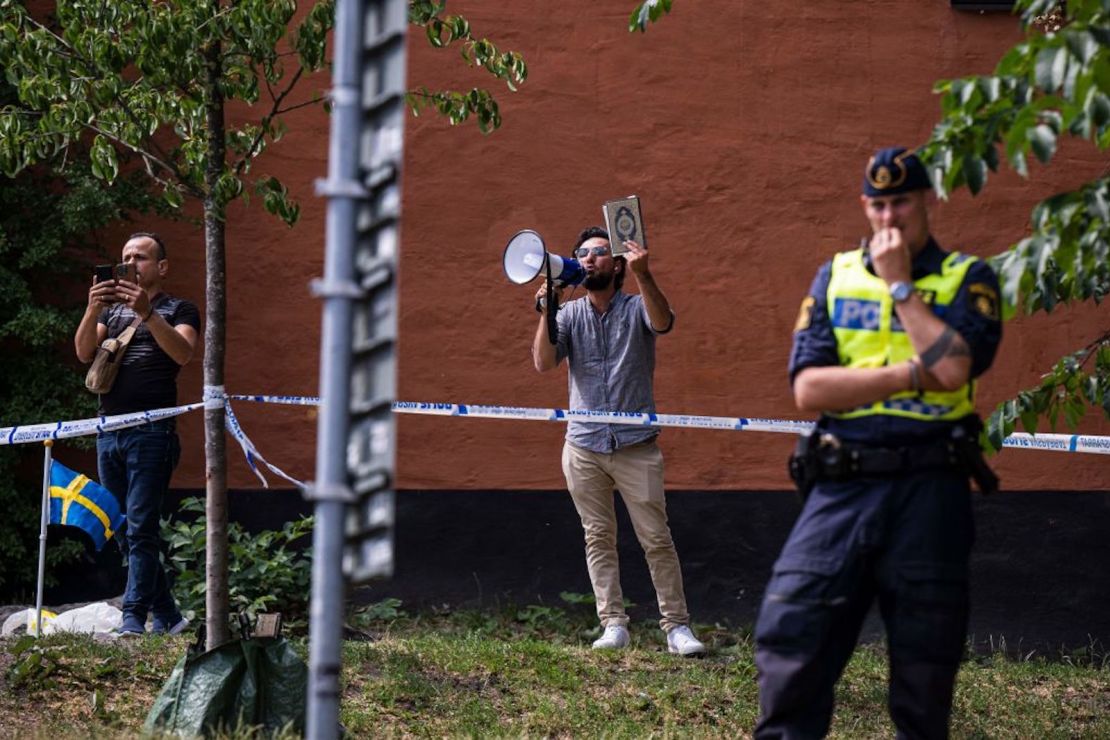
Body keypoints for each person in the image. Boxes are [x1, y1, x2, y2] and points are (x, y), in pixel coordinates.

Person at [753, 147, 1003, 738]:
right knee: (790, 634)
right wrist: (911, 373)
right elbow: (810, 388)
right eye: (879, 205)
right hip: (844, 483)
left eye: (902, 203)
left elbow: (957, 371)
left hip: (930, 487)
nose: (890, 218)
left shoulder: (969, 277)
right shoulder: (834, 275)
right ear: (866, 207)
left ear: (926, 202)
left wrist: (899, 287)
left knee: (924, 668)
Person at [532, 225, 705, 656]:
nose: (589, 259)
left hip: (635, 446)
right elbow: (543, 363)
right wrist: (545, 312)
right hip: (583, 445)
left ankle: (676, 627)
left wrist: (645, 274)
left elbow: (662, 323)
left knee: (656, 538)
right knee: (598, 537)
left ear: (618, 264)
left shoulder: (634, 307)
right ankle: (613, 624)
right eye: (582, 253)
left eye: (598, 252)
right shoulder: (569, 314)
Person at [75, 232, 200, 636]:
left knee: (142, 525)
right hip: (109, 432)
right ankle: (169, 615)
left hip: (152, 432)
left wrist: (147, 314)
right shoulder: (110, 314)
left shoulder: (180, 308)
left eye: (141, 258)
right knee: (124, 527)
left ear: (160, 267)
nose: (132, 263)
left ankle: (133, 619)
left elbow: (183, 354)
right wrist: (92, 307)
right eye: (126, 256)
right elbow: (83, 353)